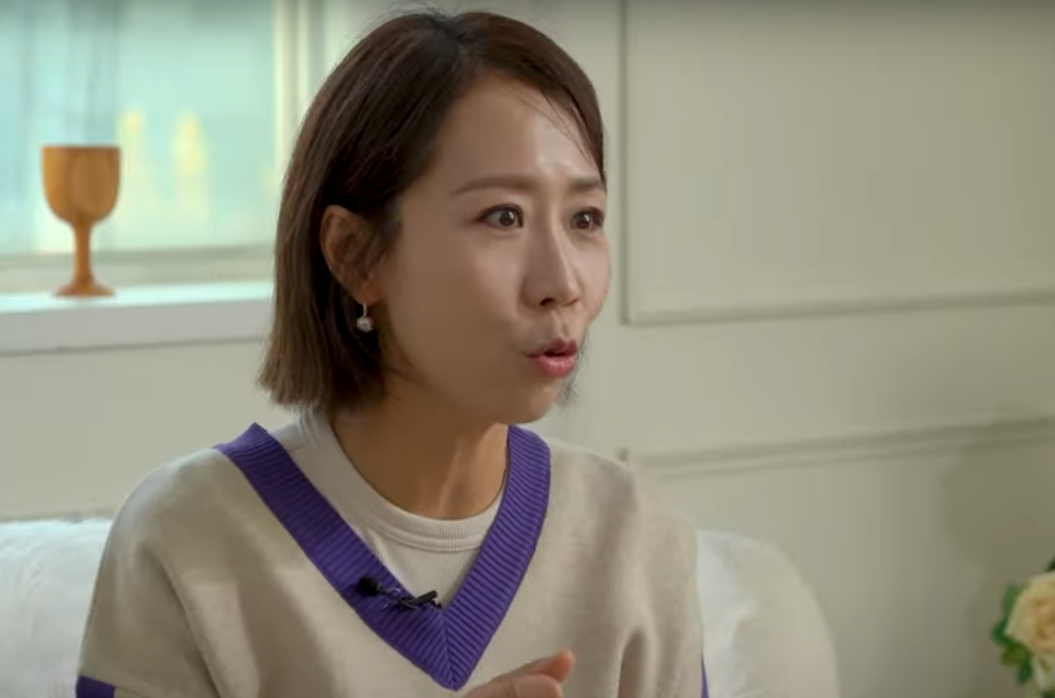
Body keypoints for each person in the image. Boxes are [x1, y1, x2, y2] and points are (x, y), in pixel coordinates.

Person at [76, 9, 707, 698]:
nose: (562, 283)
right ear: (355, 255)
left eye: (584, 219)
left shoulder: (636, 537)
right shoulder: (183, 539)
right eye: (503, 216)